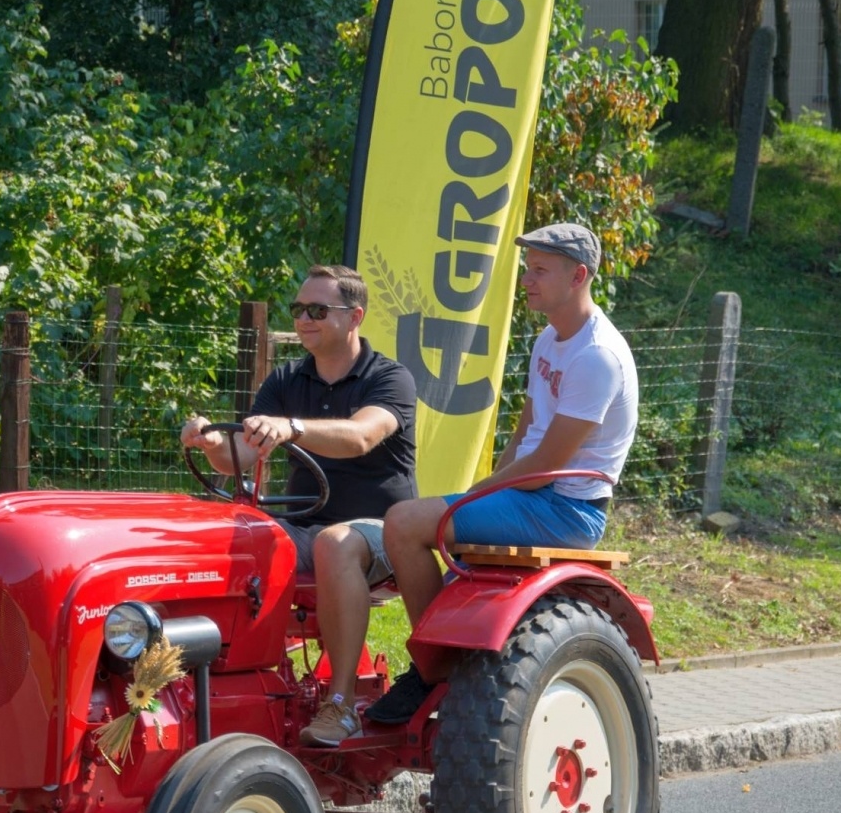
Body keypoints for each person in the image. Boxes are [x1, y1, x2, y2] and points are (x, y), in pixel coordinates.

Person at [372, 222, 638, 723]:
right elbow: (526, 433)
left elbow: (545, 468)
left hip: (567, 509)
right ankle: (444, 658)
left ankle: (434, 668)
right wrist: (490, 484)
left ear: (578, 275)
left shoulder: (597, 356)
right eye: (527, 268)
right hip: (531, 494)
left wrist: (476, 493)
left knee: (404, 523)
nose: (527, 280)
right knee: (414, 519)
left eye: (540, 270)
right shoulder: (549, 339)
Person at [181, 264, 417, 747]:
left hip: (384, 533)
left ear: (355, 317)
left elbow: (361, 436)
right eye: (298, 310)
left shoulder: (389, 378)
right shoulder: (288, 378)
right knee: (217, 539)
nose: (304, 319)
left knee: (336, 542)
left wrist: (292, 427)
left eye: (317, 310)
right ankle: (214, 687)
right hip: (304, 526)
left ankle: (342, 705)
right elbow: (239, 456)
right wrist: (207, 442)